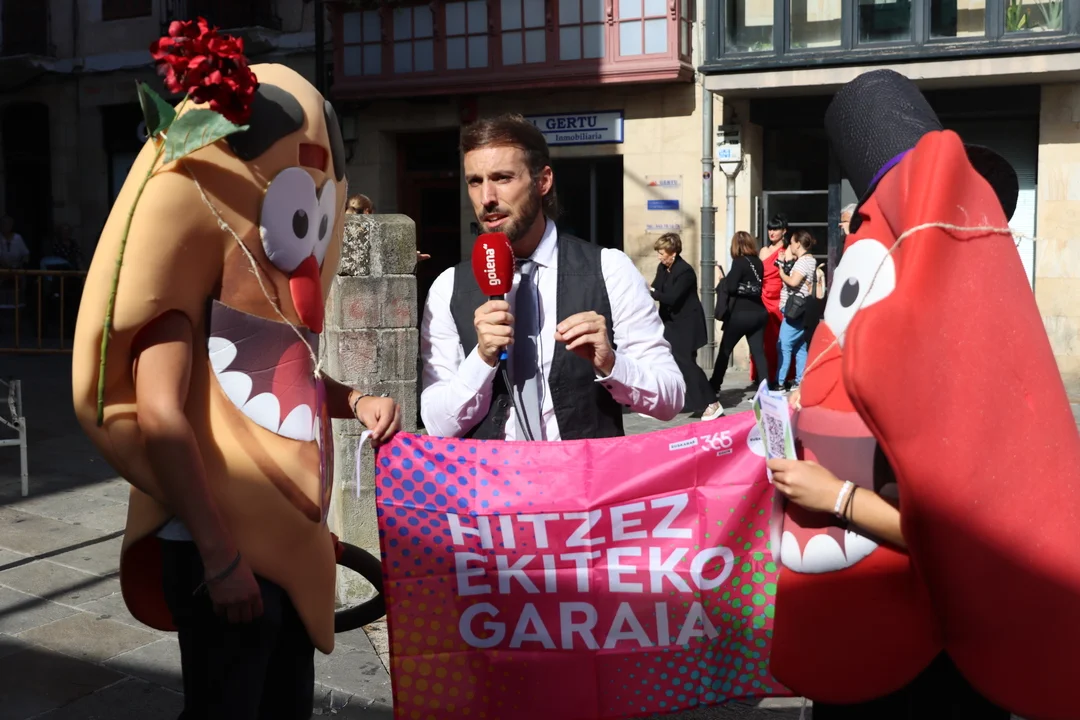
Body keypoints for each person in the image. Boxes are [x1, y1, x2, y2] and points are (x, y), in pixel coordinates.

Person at [420, 113, 684, 440]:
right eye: (475, 181)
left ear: (542, 181)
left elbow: (670, 399)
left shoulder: (609, 269)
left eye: (502, 178)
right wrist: (482, 359)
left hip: (583, 471)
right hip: (490, 472)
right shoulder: (449, 287)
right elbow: (438, 425)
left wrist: (611, 363)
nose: (486, 197)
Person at [649, 233, 715, 417]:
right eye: (659, 253)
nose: (659, 257)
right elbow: (656, 287)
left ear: (673, 253)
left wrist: (652, 292)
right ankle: (690, 401)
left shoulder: (685, 271)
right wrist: (650, 291)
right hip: (671, 322)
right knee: (674, 361)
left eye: (662, 253)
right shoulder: (663, 268)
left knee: (686, 362)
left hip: (687, 323)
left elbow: (672, 298)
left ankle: (711, 401)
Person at [707, 231, 769, 417]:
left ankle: (714, 387)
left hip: (741, 315)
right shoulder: (758, 262)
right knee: (758, 353)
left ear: (735, 246)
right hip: (759, 312)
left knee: (725, 351)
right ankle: (765, 391)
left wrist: (722, 280)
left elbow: (732, 287)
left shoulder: (739, 262)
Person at [775, 230, 817, 390]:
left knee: (783, 346)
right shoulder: (810, 260)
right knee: (800, 347)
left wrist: (781, 273)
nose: (790, 246)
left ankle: (779, 382)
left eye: (792, 243)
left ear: (798, 244)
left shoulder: (802, 262)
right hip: (803, 309)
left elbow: (793, 282)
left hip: (794, 310)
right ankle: (800, 381)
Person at [755, 214, 787, 389]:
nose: (772, 232)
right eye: (770, 229)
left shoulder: (788, 252)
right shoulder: (763, 251)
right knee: (764, 339)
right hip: (764, 296)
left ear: (784, 231)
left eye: (776, 228)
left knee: (779, 339)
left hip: (780, 298)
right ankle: (762, 375)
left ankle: (780, 375)